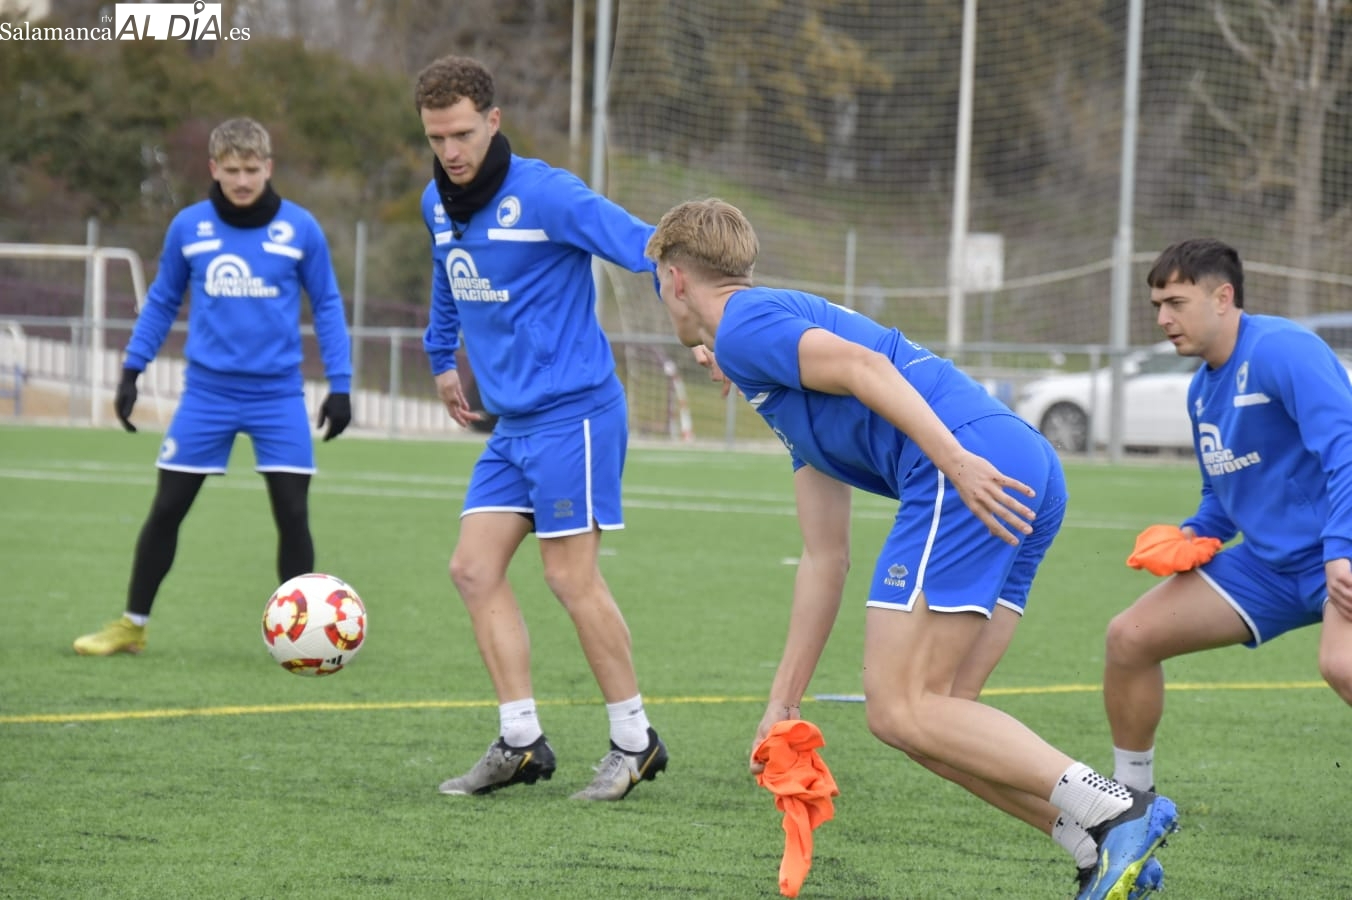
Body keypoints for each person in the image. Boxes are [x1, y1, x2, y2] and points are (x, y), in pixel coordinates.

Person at [645, 198, 1177, 899]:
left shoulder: (742, 325)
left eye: (656, 282)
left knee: (899, 707)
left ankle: (1118, 811)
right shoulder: (772, 376)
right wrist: (783, 700)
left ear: (676, 278)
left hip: (970, 466)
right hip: (1018, 466)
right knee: (938, 717)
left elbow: (867, 366)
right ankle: (1093, 848)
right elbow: (823, 558)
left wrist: (953, 462)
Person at [414, 55, 667, 802]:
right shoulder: (440, 199)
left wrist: (708, 326)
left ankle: (634, 742)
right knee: (472, 568)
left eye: (462, 133)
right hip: (513, 425)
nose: (451, 151)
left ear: (493, 121)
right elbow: (446, 272)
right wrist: (440, 358)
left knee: (567, 575)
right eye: (436, 138)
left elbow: (646, 247)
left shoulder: (547, 192)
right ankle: (521, 742)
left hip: (575, 414)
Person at [73, 117, 353, 657]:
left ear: (268, 168)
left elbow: (328, 306)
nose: (243, 180)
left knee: (293, 512)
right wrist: (132, 369)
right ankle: (132, 625)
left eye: (252, 170)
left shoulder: (300, 229)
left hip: (278, 396)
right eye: (232, 170)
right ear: (213, 169)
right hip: (206, 395)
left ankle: (301, 638)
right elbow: (160, 302)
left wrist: (340, 385)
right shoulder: (189, 227)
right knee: (168, 506)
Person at [1104, 238, 1352, 792]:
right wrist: (1192, 534)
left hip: (1339, 549)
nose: (1164, 319)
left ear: (1223, 297)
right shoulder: (1201, 393)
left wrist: (1342, 548)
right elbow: (1221, 495)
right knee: (1130, 637)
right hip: (1271, 569)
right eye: (1156, 306)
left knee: (1343, 666)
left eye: (1176, 302)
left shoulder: (1284, 350)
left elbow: (1348, 449)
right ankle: (1131, 802)